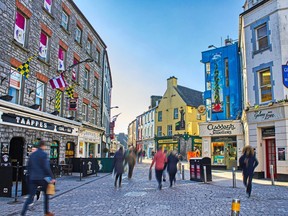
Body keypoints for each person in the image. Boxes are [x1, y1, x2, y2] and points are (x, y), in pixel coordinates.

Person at [21, 141, 55, 216]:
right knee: (46, 194)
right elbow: (46, 167)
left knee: (30, 196)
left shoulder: (32, 155)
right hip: (42, 178)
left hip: (33, 178)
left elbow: (28, 167)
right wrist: (51, 177)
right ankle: (46, 212)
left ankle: (23, 213)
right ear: (42, 146)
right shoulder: (43, 154)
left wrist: (29, 176)